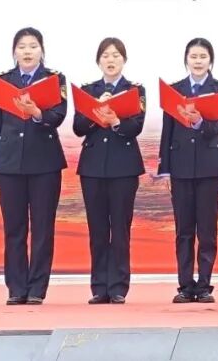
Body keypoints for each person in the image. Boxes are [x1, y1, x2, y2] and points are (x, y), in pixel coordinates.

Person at [0, 27, 68, 306]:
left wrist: (37, 113)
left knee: (42, 228)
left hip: (45, 163)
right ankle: (16, 288)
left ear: (42, 50)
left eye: (33, 46)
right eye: (22, 46)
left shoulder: (55, 79)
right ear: (14, 52)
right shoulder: (3, 81)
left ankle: (37, 289)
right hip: (8, 163)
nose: (27, 51)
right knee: (14, 228)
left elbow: (58, 115)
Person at [73, 37, 146, 305]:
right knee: (98, 229)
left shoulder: (135, 90)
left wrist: (115, 119)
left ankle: (118, 287)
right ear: (98, 61)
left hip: (124, 167)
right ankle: (99, 287)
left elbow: (136, 126)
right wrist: (97, 109)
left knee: (120, 228)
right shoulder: (87, 90)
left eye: (116, 55)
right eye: (105, 55)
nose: (111, 60)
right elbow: (78, 127)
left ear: (124, 60)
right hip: (92, 167)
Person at [157, 37, 218, 304]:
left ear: (210, 61)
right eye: (193, 56)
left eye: (203, 56)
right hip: (181, 166)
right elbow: (167, 132)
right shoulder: (174, 90)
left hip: (211, 167)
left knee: (207, 230)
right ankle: (185, 285)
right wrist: (165, 169)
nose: (198, 61)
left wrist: (200, 121)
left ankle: (204, 285)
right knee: (184, 229)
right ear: (186, 60)